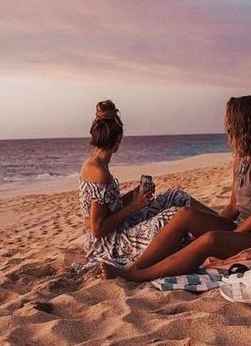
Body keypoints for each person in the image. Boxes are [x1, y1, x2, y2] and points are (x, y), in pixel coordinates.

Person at [103, 95, 251, 281]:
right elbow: (234, 205)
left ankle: (139, 276)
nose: (226, 127)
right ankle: (135, 267)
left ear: (244, 124)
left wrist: (226, 236)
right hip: (246, 228)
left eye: (230, 122)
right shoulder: (241, 158)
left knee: (211, 239)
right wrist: (210, 224)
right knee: (186, 214)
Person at [79, 100, 193, 267]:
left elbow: (108, 209)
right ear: (118, 138)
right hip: (111, 244)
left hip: (118, 229)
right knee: (173, 215)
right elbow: (98, 229)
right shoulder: (98, 172)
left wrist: (134, 195)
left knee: (176, 197)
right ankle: (216, 237)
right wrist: (135, 206)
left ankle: (220, 225)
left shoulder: (98, 165)